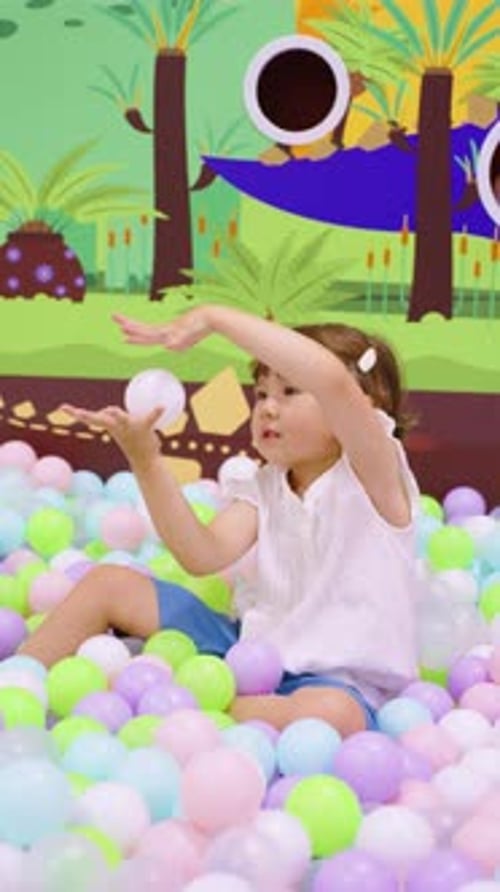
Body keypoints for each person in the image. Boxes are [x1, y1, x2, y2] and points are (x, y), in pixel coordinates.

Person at [19, 305, 422, 736]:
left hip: (334, 683)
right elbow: (201, 554)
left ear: (363, 409)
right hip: (246, 652)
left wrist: (214, 318)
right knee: (109, 583)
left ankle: (162, 705)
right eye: (262, 393)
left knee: (334, 717)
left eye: (289, 392)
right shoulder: (264, 485)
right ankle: (17, 690)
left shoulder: (372, 476)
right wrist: (145, 459)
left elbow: (333, 381)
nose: (268, 408)